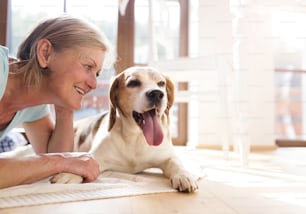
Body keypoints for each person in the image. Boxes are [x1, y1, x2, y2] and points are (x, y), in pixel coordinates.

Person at [0, 15, 113, 189]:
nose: (93, 84)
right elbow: (58, 160)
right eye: (88, 67)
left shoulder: (33, 103)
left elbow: (53, 156)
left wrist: (65, 108)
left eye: (96, 73)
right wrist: (60, 162)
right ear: (45, 52)